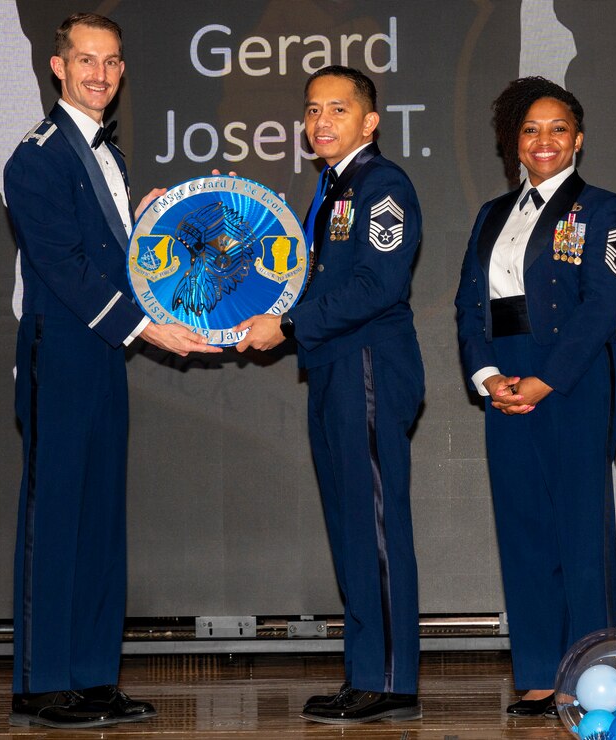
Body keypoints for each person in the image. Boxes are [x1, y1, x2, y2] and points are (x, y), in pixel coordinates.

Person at [3, 12, 218, 729]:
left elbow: (117, 258)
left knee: (99, 519)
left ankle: (94, 678)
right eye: (86, 60)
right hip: (60, 353)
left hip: (102, 356)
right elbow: (64, 267)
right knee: (56, 515)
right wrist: (148, 328)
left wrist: (151, 218)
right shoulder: (34, 158)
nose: (100, 73)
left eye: (112, 61)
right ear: (57, 68)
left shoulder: (112, 159)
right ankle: (42, 684)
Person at [236, 66, 425, 725]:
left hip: (369, 364)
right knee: (351, 525)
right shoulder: (332, 187)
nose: (321, 122)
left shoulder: (384, 185)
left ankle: (393, 681)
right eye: (313, 110)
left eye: (337, 110)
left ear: (369, 122)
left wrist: (285, 325)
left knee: (373, 525)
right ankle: (364, 672)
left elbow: (378, 285)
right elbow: (314, 284)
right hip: (334, 367)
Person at [454, 77, 616, 717]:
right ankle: (534, 672)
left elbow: (602, 306)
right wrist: (488, 377)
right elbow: (470, 307)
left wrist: (545, 379)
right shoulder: (490, 215)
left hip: (572, 378)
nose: (544, 139)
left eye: (558, 128)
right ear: (514, 143)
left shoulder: (603, 209)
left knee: (579, 535)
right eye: (531, 129)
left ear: (578, 140)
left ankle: (591, 677)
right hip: (507, 378)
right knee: (523, 529)